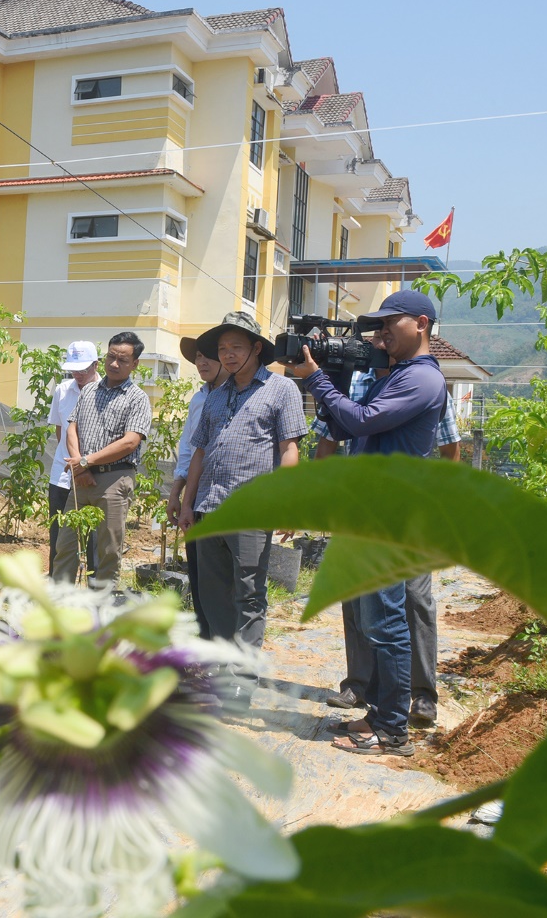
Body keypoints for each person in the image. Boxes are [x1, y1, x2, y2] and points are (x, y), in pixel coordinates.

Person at [288, 289, 449, 758]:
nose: (379, 333)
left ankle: (393, 732)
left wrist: (317, 377)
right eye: (376, 327)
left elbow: (360, 420)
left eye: (388, 325)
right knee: (371, 618)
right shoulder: (394, 375)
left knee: (387, 624)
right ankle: (379, 713)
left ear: (420, 323)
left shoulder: (422, 379)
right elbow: (342, 425)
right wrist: (333, 376)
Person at [315, 339, 463, 728]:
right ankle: (361, 685)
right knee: (357, 600)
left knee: (414, 598)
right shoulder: (353, 381)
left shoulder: (422, 383)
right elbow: (327, 441)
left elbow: (451, 448)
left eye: (384, 334)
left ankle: (422, 695)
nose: (379, 343)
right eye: (373, 337)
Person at [177, 312, 307, 655]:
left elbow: (289, 449)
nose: (228, 354)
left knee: (249, 592)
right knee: (212, 593)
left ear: (256, 348)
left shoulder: (281, 389)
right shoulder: (215, 397)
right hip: (209, 508)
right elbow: (199, 453)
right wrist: (189, 503)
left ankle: (243, 677)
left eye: (236, 346)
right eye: (222, 348)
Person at [51, 331, 153, 589]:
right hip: (80, 478)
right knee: (65, 545)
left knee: (107, 549)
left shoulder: (137, 398)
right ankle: (60, 606)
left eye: (122, 359)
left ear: (135, 364)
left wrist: (86, 462)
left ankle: (101, 609)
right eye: (111, 357)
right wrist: (78, 465)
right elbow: (71, 426)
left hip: (113, 481)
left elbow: (130, 441)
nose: (114, 364)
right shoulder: (89, 391)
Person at [167, 328, 227, 639]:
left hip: (226, 496)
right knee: (199, 575)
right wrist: (177, 492)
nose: (201, 362)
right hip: (196, 496)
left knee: (225, 581)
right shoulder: (199, 398)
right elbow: (189, 448)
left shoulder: (234, 396)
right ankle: (206, 641)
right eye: (198, 357)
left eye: (208, 356)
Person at [47, 341, 100, 584]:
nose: (78, 374)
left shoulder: (105, 390)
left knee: (94, 537)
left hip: (94, 474)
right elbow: (61, 430)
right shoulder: (63, 390)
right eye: (74, 370)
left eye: (84, 369)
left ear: (96, 365)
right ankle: (59, 589)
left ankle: (95, 591)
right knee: (59, 534)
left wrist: (85, 464)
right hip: (62, 473)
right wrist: (69, 459)